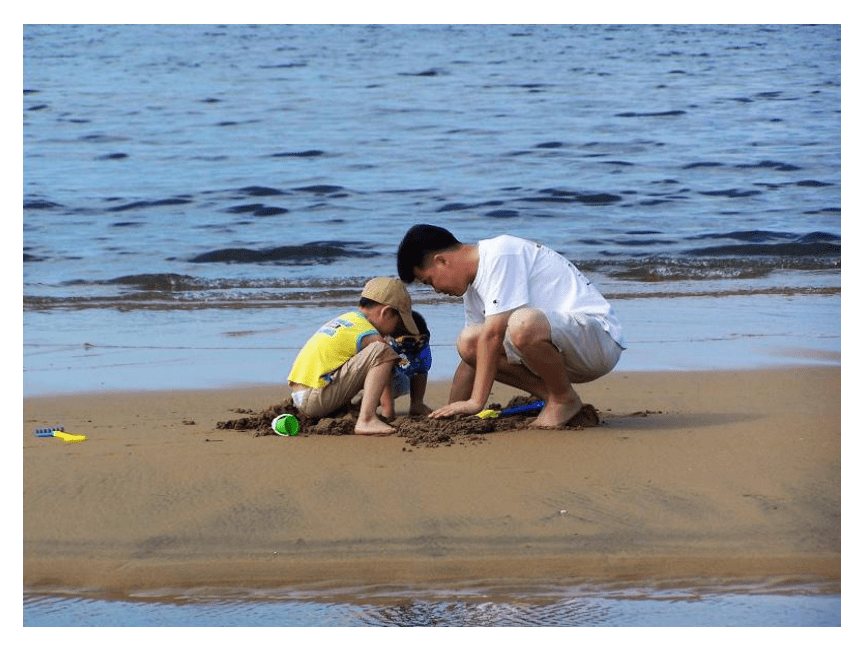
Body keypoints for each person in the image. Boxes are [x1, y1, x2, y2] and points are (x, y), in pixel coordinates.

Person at [396, 224, 625, 427]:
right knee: (469, 341)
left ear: (442, 261)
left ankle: (563, 398)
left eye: (429, 281)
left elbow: (494, 336)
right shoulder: (473, 289)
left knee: (521, 324)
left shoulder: (500, 253)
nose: (436, 290)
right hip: (561, 350)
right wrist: (450, 411)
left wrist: (476, 402)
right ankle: (554, 397)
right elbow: (475, 356)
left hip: (597, 340)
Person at [288, 277, 420, 435]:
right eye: (398, 324)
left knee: (398, 380)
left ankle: (356, 410)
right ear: (385, 312)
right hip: (316, 398)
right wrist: (388, 413)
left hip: (302, 396)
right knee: (383, 351)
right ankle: (367, 419)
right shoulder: (370, 335)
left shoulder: (349, 320)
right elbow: (383, 358)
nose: (394, 332)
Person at [381, 310, 433, 418]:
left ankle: (417, 404)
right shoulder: (383, 344)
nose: (415, 345)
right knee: (395, 380)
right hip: (366, 376)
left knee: (417, 368)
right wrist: (388, 411)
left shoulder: (421, 348)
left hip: (400, 361)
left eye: (420, 340)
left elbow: (421, 370)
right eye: (408, 341)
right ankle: (361, 405)